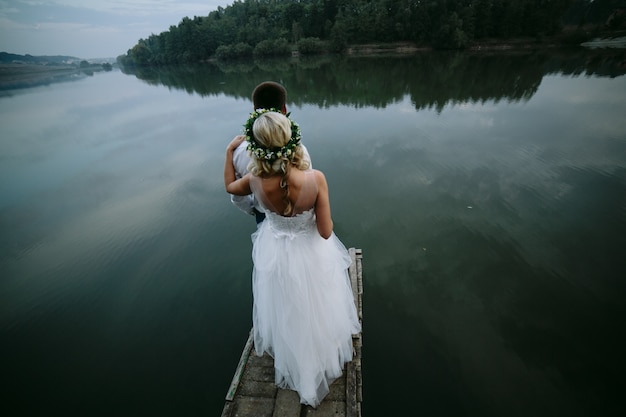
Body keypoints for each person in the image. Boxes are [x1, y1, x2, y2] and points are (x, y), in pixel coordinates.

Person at [224, 110, 361, 407]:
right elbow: (326, 232)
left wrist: (228, 153)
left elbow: (230, 188)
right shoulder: (316, 179)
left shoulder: (254, 179)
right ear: (291, 139)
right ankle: (319, 356)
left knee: (286, 306)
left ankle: (297, 358)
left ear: (256, 146)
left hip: (275, 252)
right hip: (310, 252)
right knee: (318, 302)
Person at [231, 81, 311, 223]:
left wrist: (254, 209)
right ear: (284, 109)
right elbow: (307, 187)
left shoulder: (239, 150)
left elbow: (237, 195)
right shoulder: (299, 150)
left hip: (264, 216)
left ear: (255, 109)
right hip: (297, 217)